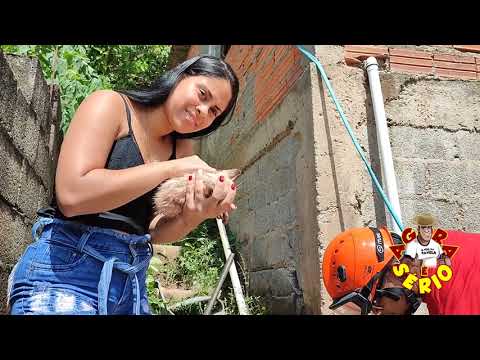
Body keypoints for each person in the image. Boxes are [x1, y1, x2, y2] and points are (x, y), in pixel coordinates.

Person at [7, 55, 240, 315]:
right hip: (66, 271)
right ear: (181, 75)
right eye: (202, 94)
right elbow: (72, 195)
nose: (203, 110)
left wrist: (193, 216)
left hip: (130, 283)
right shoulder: (110, 105)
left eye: (214, 111)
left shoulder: (181, 148)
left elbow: (153, 230)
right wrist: (170, 168)